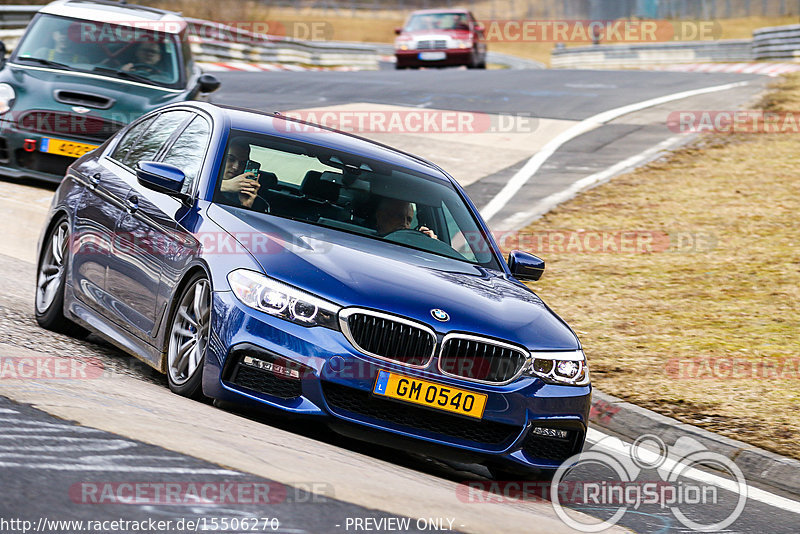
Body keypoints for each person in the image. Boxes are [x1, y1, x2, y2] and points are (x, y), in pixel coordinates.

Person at [219, 140, 261, 209]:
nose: (236, 167)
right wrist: (225, 185)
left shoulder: (243, 194)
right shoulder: (202, 176)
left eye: (242, 163)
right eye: (231, 159)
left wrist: (245, 205)